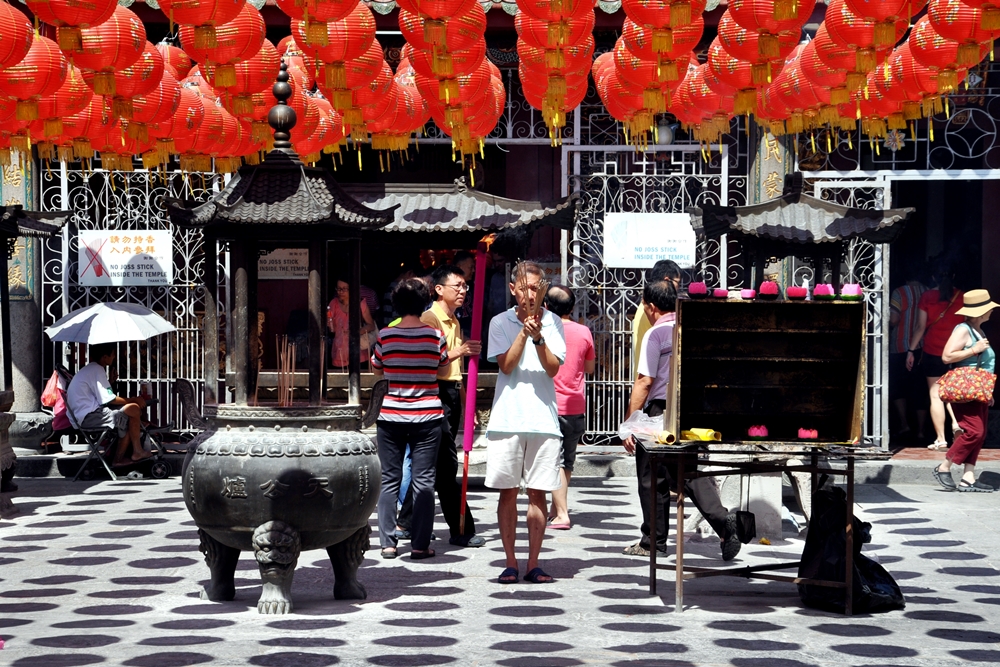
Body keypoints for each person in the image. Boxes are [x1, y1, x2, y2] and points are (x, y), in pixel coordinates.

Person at [622, 280, 740, 561]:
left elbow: (644, 382)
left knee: (652, 478)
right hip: (693, 410)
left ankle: (653, 541)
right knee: (689, 472)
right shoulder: (693, 327)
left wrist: (630, 423)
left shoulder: (656, 333)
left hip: (660, 412)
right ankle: (725, 524)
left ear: (651, 307)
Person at [486, 261, 566, 584]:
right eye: (525, 287)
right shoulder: (499, 322)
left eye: (536, 287)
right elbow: (505, 365)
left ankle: (533, 562)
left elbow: (552, 369)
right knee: (507, 492)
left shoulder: (554, 322)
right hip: (508, 417)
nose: (530, 293)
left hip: (543, 420)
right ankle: (510, 561)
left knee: (538, 494)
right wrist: (523, 331)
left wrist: (539, 338)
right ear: (514, 289)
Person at [397, 264, 486, 548]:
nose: (463, 291)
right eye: (457, 286)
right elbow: (429, 361)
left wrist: (466, 406)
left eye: (465, 286)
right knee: (445, 466)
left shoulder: (454, 320)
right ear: (439, 289)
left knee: (433, 465)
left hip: (450, 394)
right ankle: (461, 528)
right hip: (434, 394)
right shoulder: (429, 318)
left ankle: (406, 522)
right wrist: (459, 350)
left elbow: (456, 372)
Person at [370, 278, 450, 559]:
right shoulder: (435, 336)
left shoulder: (385, 336)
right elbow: (443, 368)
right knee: (424, 480)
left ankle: (388, 543)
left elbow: (378, 368)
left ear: (397, 305)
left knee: (389, 478)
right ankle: (419, 544)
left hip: (391, 414)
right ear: (424, 302)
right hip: (427, 415)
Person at [932, 289, 998, 493]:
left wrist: (987, 392)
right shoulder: (963, 329)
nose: (991, 312)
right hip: (965, 389)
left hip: (977, 389)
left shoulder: (978, 330)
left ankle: (968, 477)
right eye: (988, 309)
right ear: (980, 312)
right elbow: (946, 356)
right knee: (974, 432)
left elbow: (983, 366)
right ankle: (944, 466)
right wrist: (973, 350)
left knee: (980, 433)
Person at [544, 285, 595, 530]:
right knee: (567, 462)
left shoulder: (543, 331)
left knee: (553, 461)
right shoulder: (584, 331)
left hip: (549, 404)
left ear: (545, 307)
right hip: (575, 403)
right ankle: (556, 509)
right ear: (572, 308)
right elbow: (590, 368)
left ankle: (562, 513)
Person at [907, 264, 964, 449]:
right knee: (955, 393)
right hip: (956, 352)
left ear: (933, 278)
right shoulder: (962, 297)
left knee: (936, 395)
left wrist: (911, 350)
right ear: (954, 275)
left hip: (932, 352)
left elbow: (920, 327)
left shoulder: (927, 297)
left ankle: (941, 438)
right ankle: (956, 424)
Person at [65, 343, 150, 467]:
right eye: (113, 355)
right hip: (89, 417)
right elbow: (109, 400)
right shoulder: (97, 370)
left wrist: (109, 382)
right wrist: (134, 399)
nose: (114, 357)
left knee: (131, 411)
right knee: (133, 410)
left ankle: (132, 452)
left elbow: (98, 395)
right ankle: (130, 454)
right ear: (105, 357)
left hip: (85, 415)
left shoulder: (91, 369)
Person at [888, 269, 928, 442]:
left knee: (898, 387)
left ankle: (904, 425)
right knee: (920, 388)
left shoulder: (899, 292)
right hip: (923, 347)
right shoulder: (928, 291)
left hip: (900, 346)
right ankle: (921, 430)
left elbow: (894, 319)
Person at [631, 260, 682, 380]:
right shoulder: (654, 310)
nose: (679, 288)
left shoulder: (648, 306)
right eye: (678, 283)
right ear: (666, 280)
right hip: (651, 382)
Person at [327, 278, 376, 370]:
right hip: (339, 353)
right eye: (339, 289)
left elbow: (371, 325)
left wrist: (356, 332)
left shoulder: (361, 304)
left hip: (359, 353)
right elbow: (332, 329)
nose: (341, 292)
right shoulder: (333, 303)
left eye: (344, 289)